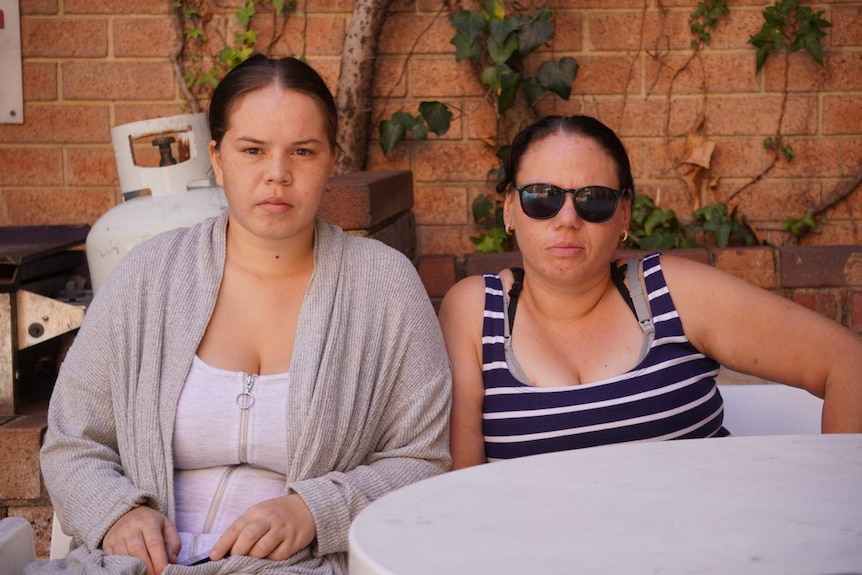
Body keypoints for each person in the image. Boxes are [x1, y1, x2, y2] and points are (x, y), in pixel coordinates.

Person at [33, 55, 451, 575]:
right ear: (217, 157)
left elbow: (423, 462)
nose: (277, 174)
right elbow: (73, 440)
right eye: (252, 150)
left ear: (331, 161)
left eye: (302, 151)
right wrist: (117, 515)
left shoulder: (384, 287)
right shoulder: (147, 277)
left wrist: (315, 510)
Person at [438, 114, 862, 469]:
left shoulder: (673, 292)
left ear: (623, 214)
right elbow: (460, 490)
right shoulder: (474, 311)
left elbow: (849, 362)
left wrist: (836, 512)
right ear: (510, 208)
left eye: (594, 200)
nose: (567, 218)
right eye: (542, 197)